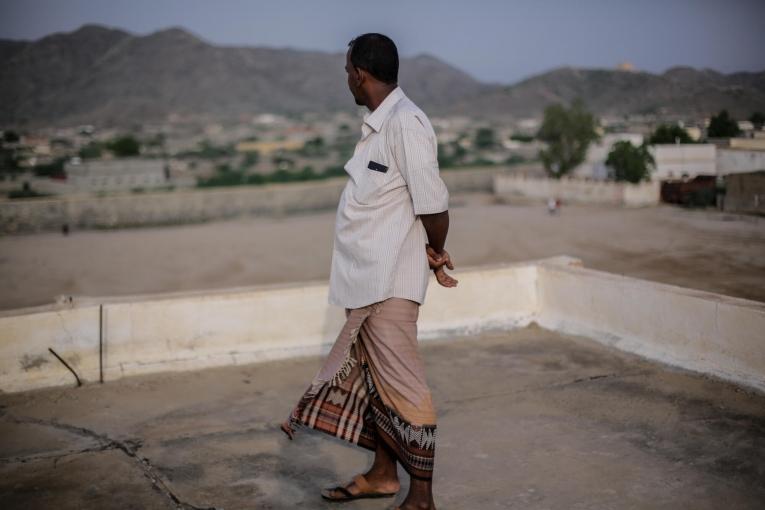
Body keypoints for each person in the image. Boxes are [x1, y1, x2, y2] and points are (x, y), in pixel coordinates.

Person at [280, 33, 456, 510]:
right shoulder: (378, 124)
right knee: (378, 386)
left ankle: (421, 498)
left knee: (405, 387)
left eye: (347, 71)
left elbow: (434, 204)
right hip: (366, 284)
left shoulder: (406, 123)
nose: (347, 79)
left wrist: (436, 250)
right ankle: (383, 475)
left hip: (389, 287)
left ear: (360, 73)